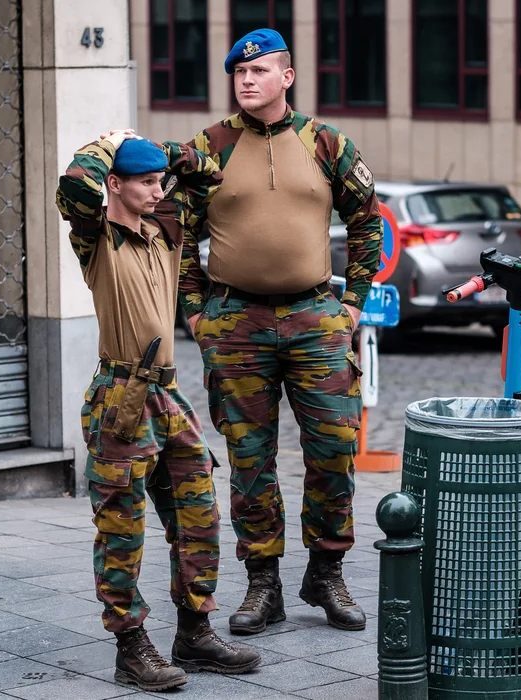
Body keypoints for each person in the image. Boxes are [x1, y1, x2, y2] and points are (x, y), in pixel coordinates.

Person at [179, 29, 382, 635]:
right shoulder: (208, 147)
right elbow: (178, 231)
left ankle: (326, 573)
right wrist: (195, 310)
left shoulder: (325, 142)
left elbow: (367, 218)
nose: (246, 81)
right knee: (249, 459)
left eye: (260, 71)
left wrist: (354, 304)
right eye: (239, 73)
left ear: (286, 77)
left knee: (334, 452)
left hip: (316, 319)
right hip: (235, 322)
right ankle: (262, 584)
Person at [56, 130, 261, 691]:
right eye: (143, 182)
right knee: (121, 527)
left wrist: (157, 150)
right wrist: (110, 142)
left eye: (157, 181)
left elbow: (208, 172)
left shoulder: (166, 228)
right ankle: (130, 645)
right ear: (115, 186)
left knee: (199, 514)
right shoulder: (96, 236)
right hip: (120, 397)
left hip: (169, 397)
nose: (156, 189)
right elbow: (75, 182)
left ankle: (194, 632)